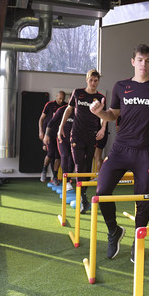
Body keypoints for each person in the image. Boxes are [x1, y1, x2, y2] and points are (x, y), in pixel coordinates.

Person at [89, 44, 149, 262]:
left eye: (147, 61)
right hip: (120, 149)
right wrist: (100, 113)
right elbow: (112, 114)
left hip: (145, 151)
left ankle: (138, 239)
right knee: (102, 190)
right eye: (139, 60)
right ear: (133, 61)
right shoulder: (121, 86)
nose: (143, 64)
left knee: (143, 200)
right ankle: (114, 230)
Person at [58, 70, 107, 213]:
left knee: (87, 166)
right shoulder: (77, 93)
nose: (93, 83)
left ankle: (83, 195)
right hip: (77, 135)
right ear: (86, 80)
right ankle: (82, 198)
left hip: (91, 136)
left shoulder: (100, 97)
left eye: (96, 81)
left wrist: (103, 128)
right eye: (91, 80)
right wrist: (61, 126)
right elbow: (69, 109)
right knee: (79, 165)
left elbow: (103, 115)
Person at [38, 91, 66, 182]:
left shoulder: (65, 106)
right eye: (59, 98)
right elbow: (41, 119)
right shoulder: (49, 105)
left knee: (58, 155)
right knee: (50, 153)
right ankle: (44, 171)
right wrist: (41, 131)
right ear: (56, 96)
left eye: (63, 99)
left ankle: (54, 176)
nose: (61, 100)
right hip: (49, 133)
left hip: (59, 134)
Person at [46, 104, 74, 190]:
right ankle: (67, 181)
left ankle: (68, 179)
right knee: (64, 156)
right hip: (62, 138)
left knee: (72, 159)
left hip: (74, 139)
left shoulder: (78, 111)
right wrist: (46, 135)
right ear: (70, 101)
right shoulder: (61, 110)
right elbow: (51, 122)